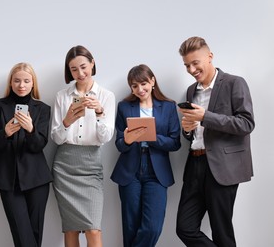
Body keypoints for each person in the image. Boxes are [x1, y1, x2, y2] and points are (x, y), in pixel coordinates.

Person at [175, 36, 255, 247]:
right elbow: (194, 134)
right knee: (185, 228)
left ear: (209, 57)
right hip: (194, 164)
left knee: (222, 232)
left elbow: (246, 124)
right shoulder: (191, 91)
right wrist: (187, 130)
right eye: (187, 65)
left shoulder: (234, 83)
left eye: (195, 63)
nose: (191, 69)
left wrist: (205, 117)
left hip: (222, 168)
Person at [51, 45, 115, 247]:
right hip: (65, 165)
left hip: (91, 165)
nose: (80, 73)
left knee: (93, 229)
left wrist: (99, 113)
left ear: (92, 63)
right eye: (74, 69)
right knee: (70, 229)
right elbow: (56, 138)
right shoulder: (62, 96)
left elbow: (105, 137)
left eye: (83, 67)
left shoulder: (106, 96)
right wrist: (67, 120)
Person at [110, 64, 181, 247]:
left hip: (156, 172)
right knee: (131, 227)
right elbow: (119, 144)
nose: (140, 89)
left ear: (152, 81)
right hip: (129, 170)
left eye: (143, 84)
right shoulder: (124, 107)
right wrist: (126, 140)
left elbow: (175, 143)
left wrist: (151, 138)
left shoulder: (168, 107)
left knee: (152, 228)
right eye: (134, 86)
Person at [0, 62, 52, 247]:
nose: (21, 85)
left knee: (35, 233)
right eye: (17, 81)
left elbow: (39, 145)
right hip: (8, 178)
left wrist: (31, 129)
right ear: (10, 83)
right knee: (22, 234)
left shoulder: (43, 109)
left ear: (32, 83)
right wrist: (4, 133)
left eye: (26, 81)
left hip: (37, 179)